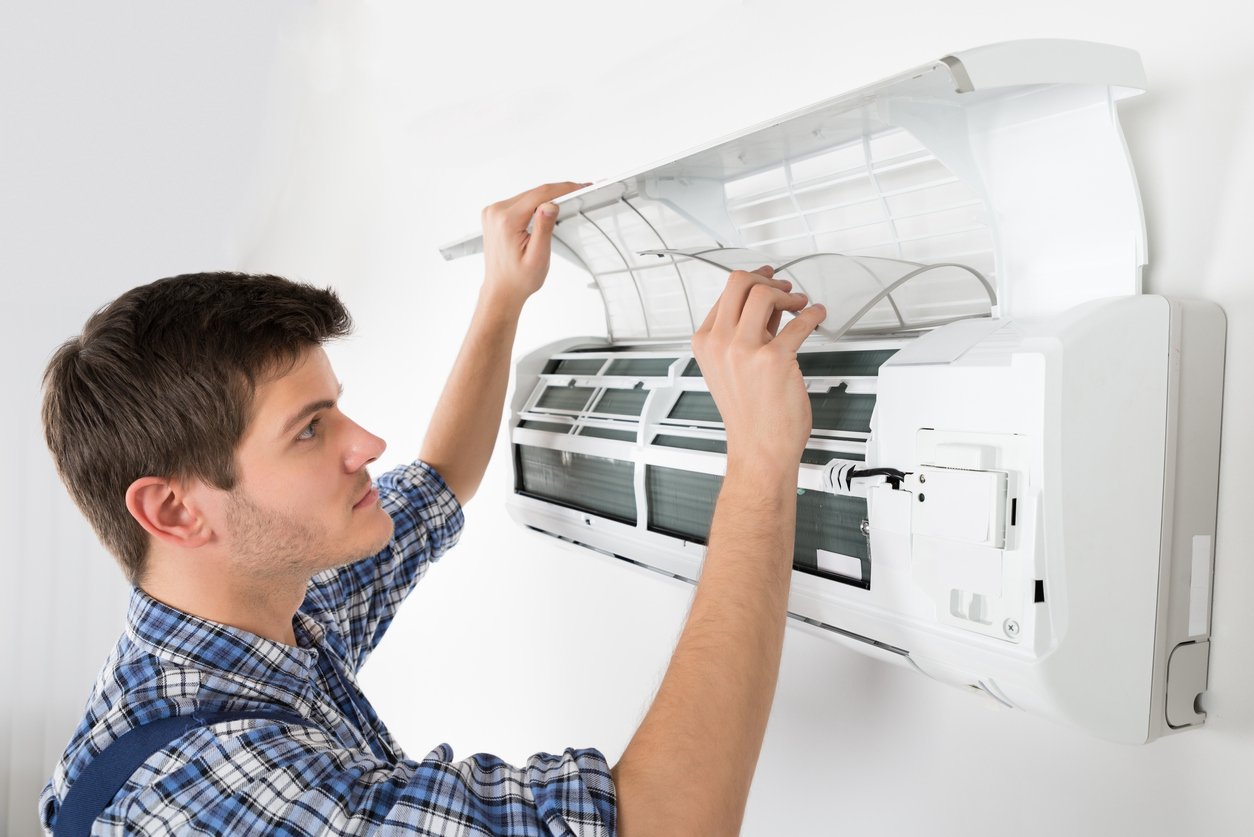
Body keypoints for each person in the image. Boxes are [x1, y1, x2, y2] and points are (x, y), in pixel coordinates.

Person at [38, 182, 826, 836]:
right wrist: (760, 457)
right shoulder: (216, 794)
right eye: (310, 430)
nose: (368, 443)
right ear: (174, 512)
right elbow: (662, 824)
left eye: (336, 408)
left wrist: (503, 295)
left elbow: (441, 479)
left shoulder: (251, 621)